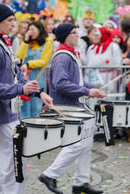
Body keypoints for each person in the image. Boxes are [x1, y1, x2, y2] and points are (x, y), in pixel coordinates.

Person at [0, 3, 53, 194]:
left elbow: (17, 74)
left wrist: (38, 92)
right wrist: (20, 89)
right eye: (9, 20)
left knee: (10, 165)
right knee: (15, 166)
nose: (14, 24)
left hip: (7, 111)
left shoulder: (3, 43)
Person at [38, 23, 105, 194]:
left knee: (86, 142)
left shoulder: (70, 54)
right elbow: (60, 84)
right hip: (65, 107)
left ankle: (81, 182)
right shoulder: (62, 56)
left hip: (75, 105)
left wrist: (93, 88)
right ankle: (50, 175)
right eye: (74, 33)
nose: (77, 36)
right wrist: (86, 91)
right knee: (76, 144)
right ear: (66, 36)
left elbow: (77, 82)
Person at [17, 21, 53, 118]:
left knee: (36, 105)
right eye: (29, 29)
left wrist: (28, 64)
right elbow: (20, 56)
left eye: (33, 29)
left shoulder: (48, 41)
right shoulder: (28, 42)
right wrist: (25, 41)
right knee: (25, 105)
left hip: (38, 77)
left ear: (39, 30)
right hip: (25, 77)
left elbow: (44, 61)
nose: (30, 32)